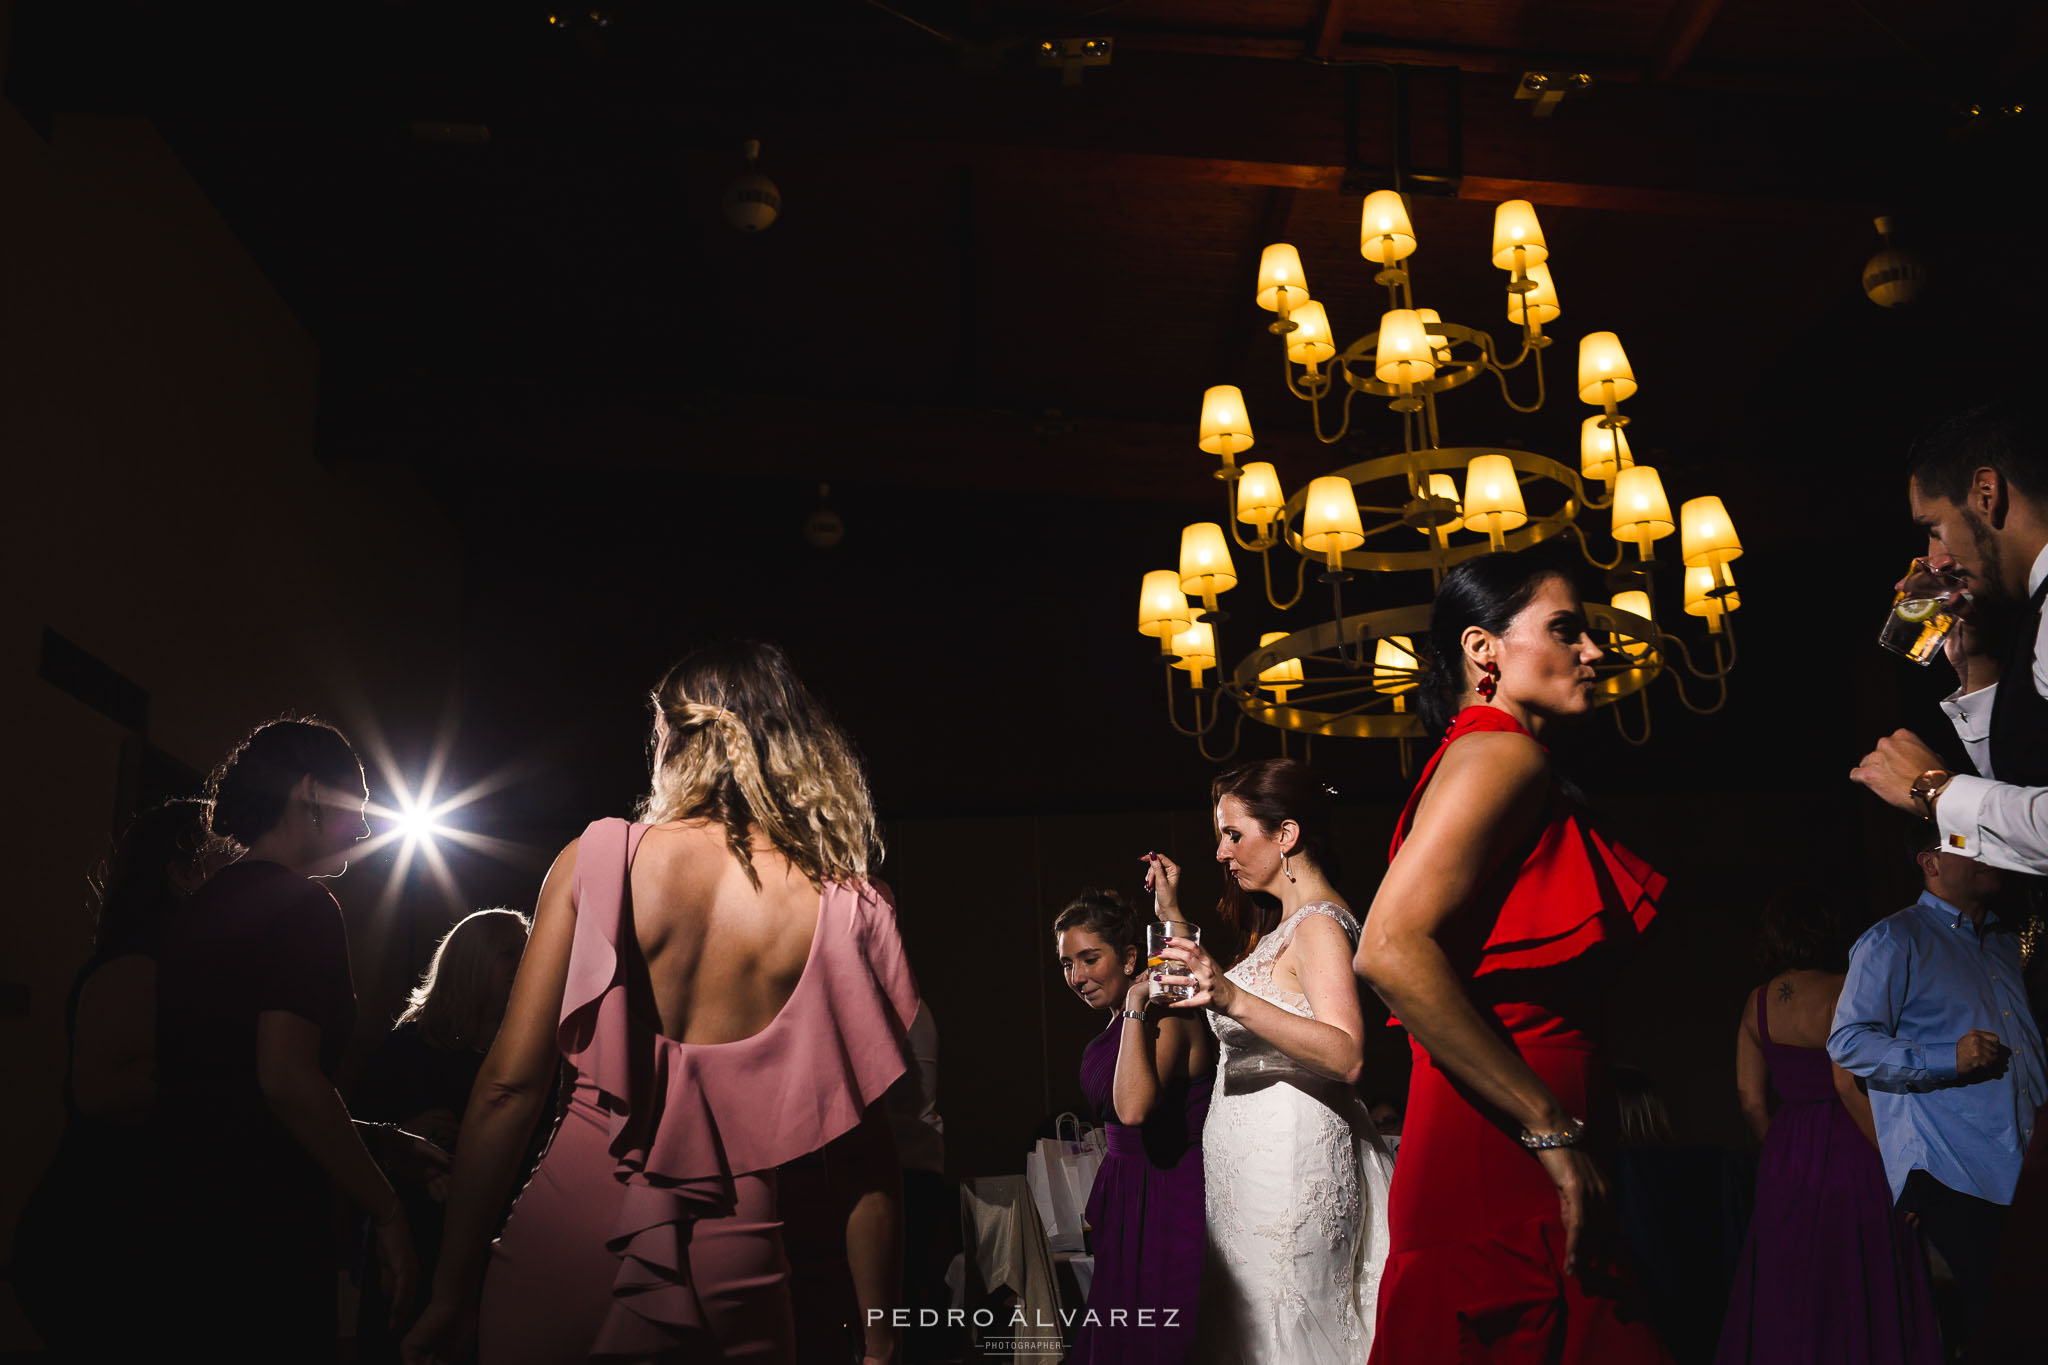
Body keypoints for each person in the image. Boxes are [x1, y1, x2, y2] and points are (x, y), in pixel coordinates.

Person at [404, 640, 919, 1365]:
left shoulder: (597, 857)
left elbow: (507, 1089)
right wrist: (880, 1339)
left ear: (678, 739)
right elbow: (867, 1162)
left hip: (561, 1244)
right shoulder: (844, 904)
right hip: (733, 1269)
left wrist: (451, 1290)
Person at [1353, 550, 1672, 1364]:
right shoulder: (1502, 755)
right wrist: (1548, 1132)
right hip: (1502, 1147)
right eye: (1566, 629)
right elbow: (1387, 948)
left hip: (1509, 1139)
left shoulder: (1487, 756)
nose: (1594, 651)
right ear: (1482, 648)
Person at [154, 718, 433, 1362]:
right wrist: (387, 1211)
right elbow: (284, 1079)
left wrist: (376, 1139)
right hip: (259, 1225)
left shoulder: (196, 910)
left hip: (176, 1212)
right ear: (310, 793)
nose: (363, 831)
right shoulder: (303, 908)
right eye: (356, 810)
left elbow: (222, 1081)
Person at [1153, 759, 1392, 1363]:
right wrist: (1172, 919)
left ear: (1285, 836)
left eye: (1233, 834)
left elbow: (1348, 1052)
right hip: (1246, 1161)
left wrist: (1231, 996)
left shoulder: (1319, 927)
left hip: (1291, 1160)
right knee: (1248, 1330)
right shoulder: (1281, 927)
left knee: (1286, 1320)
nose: (1220, 852)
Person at [12, 799, 221, 1360]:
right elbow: (101, 1096)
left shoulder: (179, 969)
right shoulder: (137, 966)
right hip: (97, 1241)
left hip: (128, 1240)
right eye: (228, 858)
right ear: (181, 874)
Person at [1827, 828, 2045, 1356]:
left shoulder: (2003, 941)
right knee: (1998, 1328)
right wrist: (1949, 1057)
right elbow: (1848, 1042)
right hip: (1957, 1164)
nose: (1985, 852)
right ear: (1929, 862)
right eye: (1967, 842)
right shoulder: (1894, 939)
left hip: (2027, 1159)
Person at [1715, 888, 1939, 1365]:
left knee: (1792, 1285)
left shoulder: (1757, 1002)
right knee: (1863, 1279)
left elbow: (1750, 1101)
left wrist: (1782, 1151)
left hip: (1786, 1153)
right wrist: (1904, 1167)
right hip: (1855, 1142)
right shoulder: (1851, 987)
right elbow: (1862, 1081)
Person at [352, 908, 533, 1363]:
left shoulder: (532, 1050)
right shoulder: (407, 1049)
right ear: (470, 961)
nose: (524, 964)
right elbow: (348, 1136)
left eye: (528, 952)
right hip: (418, 1230)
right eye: (508, 954)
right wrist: (400, 1136)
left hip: (503, 1235)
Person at [1052, 885, 1213, 1365]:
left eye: (1088, 958)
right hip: (1128, 1194)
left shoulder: (1165, 1014)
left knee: (1156, 1342)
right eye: (1066, 964)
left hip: (1167, 1193)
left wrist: (1138, 1003)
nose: (1076, 976)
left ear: (1127, 959)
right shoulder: (1123, 1020)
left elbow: (1134, 1110)